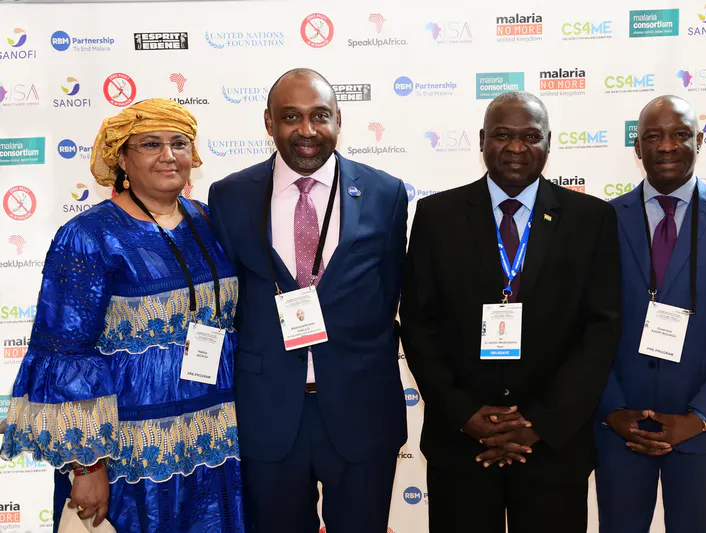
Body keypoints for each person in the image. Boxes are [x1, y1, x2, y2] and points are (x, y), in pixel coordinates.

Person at [0, 99, 245, 532]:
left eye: (179, 143)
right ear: (122, 160)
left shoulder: (208, 220)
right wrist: (87, 466)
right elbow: (65, 352)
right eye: (151, 144)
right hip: (130, 451)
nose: (168, 155)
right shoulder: (88, 235)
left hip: (215, 437)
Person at [400, 91, 622, 533]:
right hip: (461, 445)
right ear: (482, 139)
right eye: (502, 135)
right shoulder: (436, 215)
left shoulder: (590, 218)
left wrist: (539, 422)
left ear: (549, 143)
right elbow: (419, 325)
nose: (516, 147)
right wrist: (465, 414)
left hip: (552, 447)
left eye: (531, 136)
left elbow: (600, 331)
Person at [208, 68, 408, 533]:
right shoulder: (229, 195)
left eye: (319, 115)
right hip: (267, 413)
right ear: (269, 122)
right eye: (291, 117)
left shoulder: (385, 192)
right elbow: (231, 302)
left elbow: (389, 294)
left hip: (361, 410)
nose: (307, 129)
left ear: (338, 119)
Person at [595, 95, 706, 533]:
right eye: (652, 136)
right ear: (637, 147)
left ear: (699, 141)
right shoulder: (602, 220)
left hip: (702, 429)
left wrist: (698, 418)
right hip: (622, 429)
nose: (666, 145)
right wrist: (613, 411)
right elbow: (586, 328)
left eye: (680, 134)